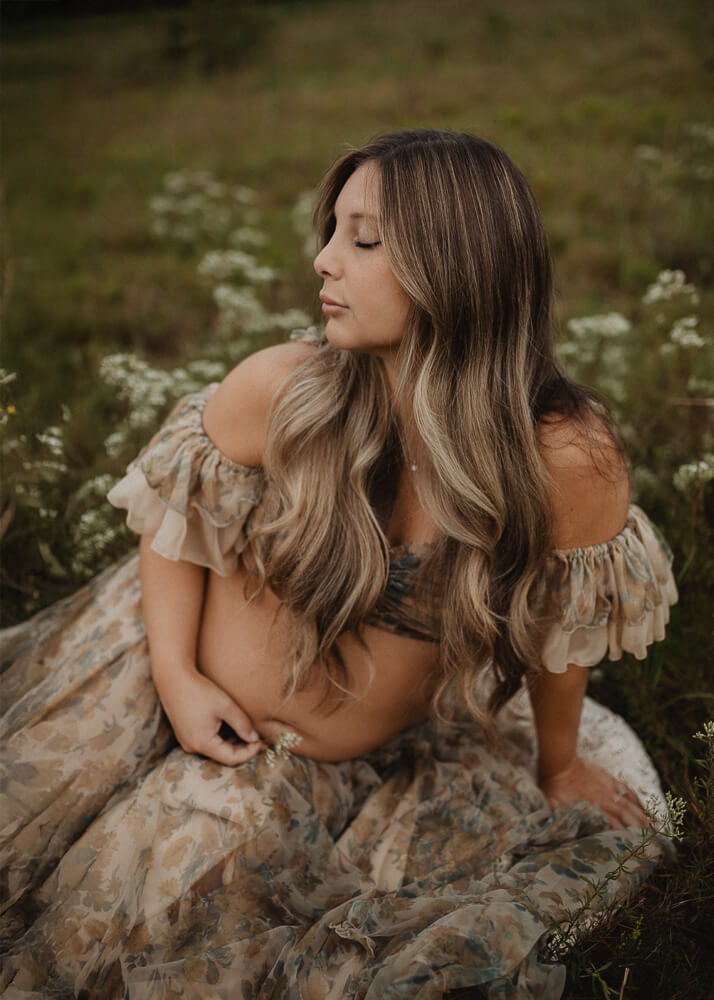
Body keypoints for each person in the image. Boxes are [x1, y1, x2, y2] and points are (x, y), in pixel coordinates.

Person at [0, 130, 677, 998]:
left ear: (457, 267)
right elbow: (174, 527)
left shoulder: (563, 455)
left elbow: (565, 622)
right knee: (57, 850)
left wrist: (557, 761)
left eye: (361, 240)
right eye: (332, 232)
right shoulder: (285, 390)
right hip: (156, 663)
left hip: (339, 759)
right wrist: (175, 674)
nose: (322, 260)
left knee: (206, 907)